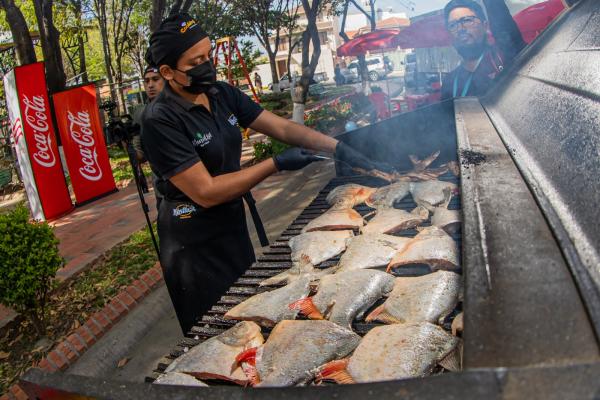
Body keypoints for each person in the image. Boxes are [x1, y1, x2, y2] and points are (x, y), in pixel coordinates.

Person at [142, 13, 389, 334]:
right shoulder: (159, 119)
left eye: (208, 55)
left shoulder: (221, 94)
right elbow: (205, 190)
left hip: (230, 223)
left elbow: (282, 126)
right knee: (216, 330)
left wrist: (338, 148)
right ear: (166, 71)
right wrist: (276, 164)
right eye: (195, 61)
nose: (207, 64)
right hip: (193, 244)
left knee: (249, 313)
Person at [441, 0, 526, 100]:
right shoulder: (450, 81)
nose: (460, 28)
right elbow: (445, 114)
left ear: (485, 26)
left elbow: (503, 24)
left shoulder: (504, 55)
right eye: (453, 25)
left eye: (467, 20)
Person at [132, 65, 166, 209]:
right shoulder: (141, 113)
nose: (150, 85)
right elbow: (140, 154)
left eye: (155, 79)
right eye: (146, 81)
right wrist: (131, 149)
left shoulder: (181, 105)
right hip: (163, 188)